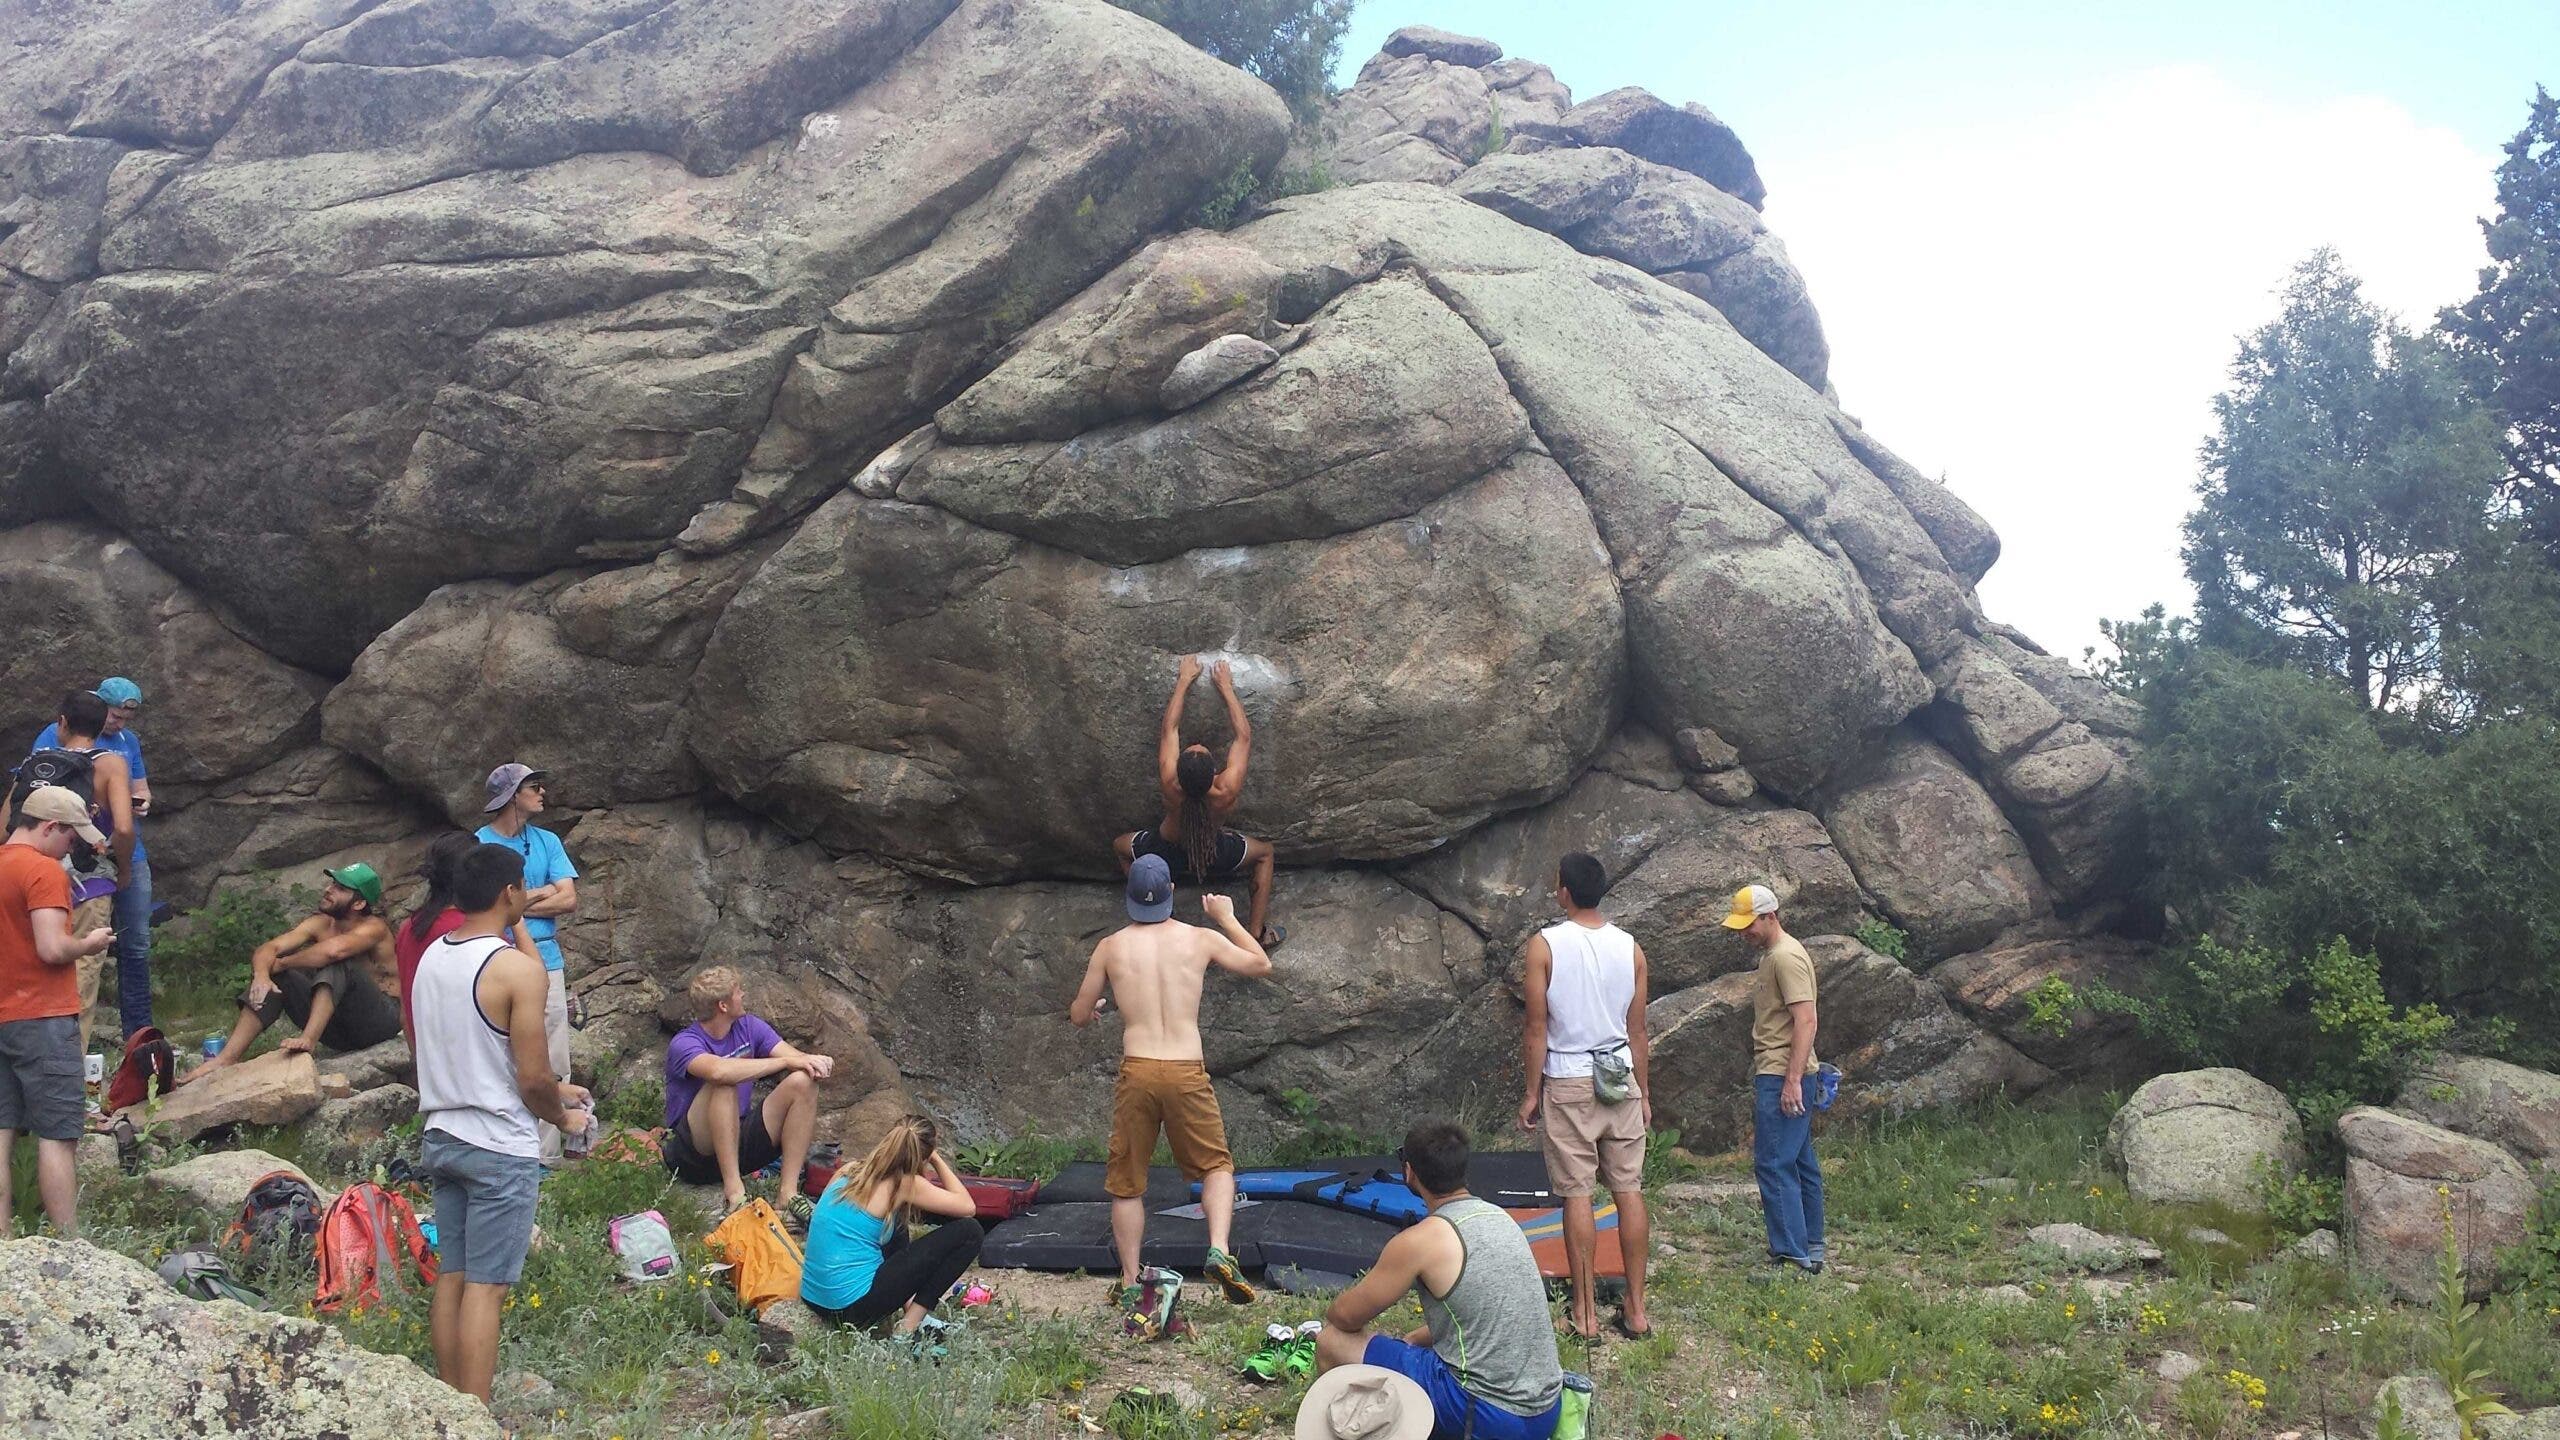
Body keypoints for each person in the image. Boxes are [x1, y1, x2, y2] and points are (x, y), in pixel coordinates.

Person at [412, 842, 590, 1403]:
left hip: (443, 1133)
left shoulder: (431, 956)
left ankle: (448, 1407)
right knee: (486, 1290)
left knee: (454, 1276)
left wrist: (554, 1090)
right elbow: (533, 1079)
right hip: (498, 1147)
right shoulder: (514, 969)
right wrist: (564, 1115)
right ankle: (476, 1417)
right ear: (509, 893)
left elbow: (473, 1048)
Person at [1068, 853, 1269, 1307]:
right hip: (1185, 1068)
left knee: (1127, 1183)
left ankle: (1129, 1276)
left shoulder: (1110, 947)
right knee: (1217, 1167)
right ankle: (1218, 1248)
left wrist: (1096, 1010)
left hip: (1138, 1069)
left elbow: (1078, 1014)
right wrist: (1227, 917)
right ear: (1171, 892)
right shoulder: (1199, 939)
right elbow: (1260, 964)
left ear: (1130, 897)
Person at [1313, 1120, 1565, 1440]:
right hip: (1545, 1411)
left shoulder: (1421, 1240)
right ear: (1462, 1169)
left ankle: (1352, 1425)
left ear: (1409, 1172)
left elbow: (1343, 1317)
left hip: (1486, 1415)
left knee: (1332, 1341)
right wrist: (1417, 1338)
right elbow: (1486, 1313)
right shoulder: (1500, 1217)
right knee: (1413, 1349)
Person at [1515, 851, 1654, 1340]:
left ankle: (1586, 1315)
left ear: (1564, 892)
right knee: (1628, 1190)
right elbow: (1638, 1030)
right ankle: (1636, 1312)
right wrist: (1644, 1094)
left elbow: (1537, 1028)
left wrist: (1532, 1093)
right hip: (1620, 1075)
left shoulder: (1544, 946)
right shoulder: (1631, 947)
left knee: (1578, 1192)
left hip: (1571, 1076)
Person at [0, 788, 116, 1237]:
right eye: (71, 837)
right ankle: (71, 1247)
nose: (75, 847)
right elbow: (51, 948)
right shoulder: (43, 870)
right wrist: (88, 943)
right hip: (42, 1017)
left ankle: (5, 1245)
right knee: (57, 1136)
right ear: (50, 827)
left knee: (2, 1133)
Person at [1115, 656, 1283, 949]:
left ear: (1180, 772)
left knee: (1120, 847)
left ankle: (1156, 903)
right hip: (1214, 853)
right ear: (1214, 773)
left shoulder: (1170, 785)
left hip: (1165, 852)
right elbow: (1243, 737)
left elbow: (1169, 729)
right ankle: (1255, 932)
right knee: (1265, 853)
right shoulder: (1225, 789)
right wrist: (1226, 687)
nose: (1197, 744)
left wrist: (1183, 681)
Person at [181, 863, 405, 1081]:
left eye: (340, 889)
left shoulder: (374, 927)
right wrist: (262, 976)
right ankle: (226, 1058)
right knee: (277, 976)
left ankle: (308, 1039)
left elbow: (335, 951)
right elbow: (269, 948)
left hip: (380, 1021)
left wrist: (284, 962)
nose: (328, 890)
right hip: (339, 1029)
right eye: (332, 884)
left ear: (359, 904)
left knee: (338, 963)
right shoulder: (320, 923)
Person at [30, 677, 153, 1041]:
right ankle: (66, 1045)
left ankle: (139, 1034)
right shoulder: (52, 739)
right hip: (83, 861)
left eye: (127, 718)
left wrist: (141, 801)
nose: (118, 724)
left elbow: (139, 792)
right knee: (72, 950)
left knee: (135, 942)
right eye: (114, 716)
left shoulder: (126, 745)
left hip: (115, 853)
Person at [800, 1114, 986, 1346]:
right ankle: (908, 1328)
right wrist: (936, 1159)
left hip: (814, 1297)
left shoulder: (848, 1171)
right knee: (970, 1232)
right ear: (923, 1156)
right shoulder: (903, 1184)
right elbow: (968, 1208)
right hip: (851, 1307)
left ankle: (911, 1308)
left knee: (895, 1225)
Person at [663, 966, 832, 1220]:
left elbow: (796, 1058)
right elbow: (720, 1071)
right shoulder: (684, 1043)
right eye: (738, 991)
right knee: (724, 1081)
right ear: (723, 1005)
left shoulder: (749, 1026)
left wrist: (815, 1062)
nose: (743, 994)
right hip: (693, 1154)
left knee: (802, 1081)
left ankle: (788, 1193)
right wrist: (785, 1063)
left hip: (738, 1138)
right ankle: (735, 1194)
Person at [475, 763, 578, 1160]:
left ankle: (546, 1157)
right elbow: (483, 904)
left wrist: (516, 900)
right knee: (500, 1050)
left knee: (553, 1051)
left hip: (547, 957)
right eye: (534, 787)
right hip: (495, 957)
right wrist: (541, 893)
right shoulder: (479, 844)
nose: (542, 793)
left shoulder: (549, 841)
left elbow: (568, 899)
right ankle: (505, 1148)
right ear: (512, 795)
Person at [1727, 883, 1824, 1273]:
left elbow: (1806, 1019)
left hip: (1782, 1073)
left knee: (1773, 1163)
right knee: (1800, 1163)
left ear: (1771, 916)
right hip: (1786, 1072)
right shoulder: (1774, 955)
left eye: (1749, 924)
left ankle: (1791, 1256)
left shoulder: (1786, 957)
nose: (1743, 933)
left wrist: (1792, 1080)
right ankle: (1811, 1247)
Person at [396, 833, 480, 1043]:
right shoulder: (470, 930)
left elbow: (406, 1011)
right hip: (466, 1055)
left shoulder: (408, 927)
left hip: (428, 1057)